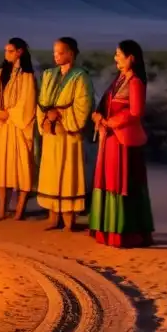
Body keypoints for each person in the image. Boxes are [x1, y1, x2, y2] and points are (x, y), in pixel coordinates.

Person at [88, 40, 155, 247]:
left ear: (131, 58)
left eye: (119, 54)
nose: (115, 58)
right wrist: (99, 116)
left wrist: (111, 122)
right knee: (108, 181)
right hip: (110, 139)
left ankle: (126, 233)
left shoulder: (135, 82)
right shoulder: (120, 79)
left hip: (123, 141)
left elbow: (136, 112)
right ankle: (108, 230)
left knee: (122, 183)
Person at [36, 36, 95, 231]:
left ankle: (69, 220)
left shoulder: (81, 76)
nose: (56, 56)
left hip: (69, 133)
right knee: (51, 173)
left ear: (71, 53)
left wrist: (60, 115)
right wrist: (46, 117)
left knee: (69, 174)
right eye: (55, 52)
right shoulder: (48, 75)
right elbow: (42, 102)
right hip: (52, 132)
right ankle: (53, 217)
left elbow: (83, 105)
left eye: (60, 53)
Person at [0, 37, 37, 221]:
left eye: (10, 51)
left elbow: (28, 103)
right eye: (6, 51)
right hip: (1, 125)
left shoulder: (27, 76)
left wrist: (11, 114)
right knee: (1, 167)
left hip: (17, 126)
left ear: (19, 52)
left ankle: (20, 209)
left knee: (21, 166)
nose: (6, 54)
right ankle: (1, 209)